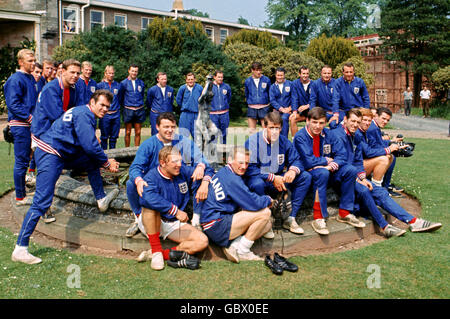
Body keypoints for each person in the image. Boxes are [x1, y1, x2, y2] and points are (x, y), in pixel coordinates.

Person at [11, 90, 120, 264]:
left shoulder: (83, 112)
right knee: (42, 202)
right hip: (50, 153)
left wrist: (99, 157)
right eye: (102, 105)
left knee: (91, 161)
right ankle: (20, 248)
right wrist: (107, 163)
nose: (105, 109)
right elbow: (90, 146)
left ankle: (101, 199)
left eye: (108, 106)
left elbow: (85, 144)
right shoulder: (85, 114)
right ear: (92, 102)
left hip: (60, 153)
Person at [334, 109, 442, 237]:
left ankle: (413, 222)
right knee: (365, 191)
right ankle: (384, 226)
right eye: (354, 121)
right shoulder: (337, 135)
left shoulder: (355, 136)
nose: (356, 124)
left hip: (354, 175)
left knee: (379, 191)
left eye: (358, 122)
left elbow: (357, 161)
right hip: (341, 177)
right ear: (345, 120)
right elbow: (340, 162)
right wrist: (358, 179)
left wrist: (362, 177)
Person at [126, 112, 211, 238]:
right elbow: (135, 167)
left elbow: (201, 159)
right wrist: (138, 180)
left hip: (177, 179)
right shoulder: (149, 144)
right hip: (155, 182)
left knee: (198, 175)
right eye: (166, 127)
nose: (170, 130)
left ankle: (196, 219)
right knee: (131, 183)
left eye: (172, 127)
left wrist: (200, 167)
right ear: (157, 127)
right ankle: (139, 218)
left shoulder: (182, 141)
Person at [293, 107, 365, 235]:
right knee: (322, 173)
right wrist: (326, 160)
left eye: (321, 123)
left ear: (325, 122)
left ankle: (344, 212)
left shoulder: (329, 134)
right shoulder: (300, 136)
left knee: (350, 170)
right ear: (307, 121)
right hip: (307, 172)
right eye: (314, 122)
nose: (318, 126)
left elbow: (341, 155)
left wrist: (331, 166)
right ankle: (318, 217)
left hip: (327, 170)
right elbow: (308, 161)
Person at [137, 146, 211, 270]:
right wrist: (175, 211)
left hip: (173, 224)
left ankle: (159, 254)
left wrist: (204, 180)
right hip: (153, 222)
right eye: (174, 161)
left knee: (202, 241)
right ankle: (156, 252)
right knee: (149, 206)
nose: (179, 165)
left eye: (180, 161)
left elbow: (209, 170)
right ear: (163, 163)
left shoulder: (181, 171)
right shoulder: (152, 176)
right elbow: (147, 197)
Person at [200, 146, 273, 263]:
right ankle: (243, 251)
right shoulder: (232, 179)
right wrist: (268, 199)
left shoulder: (225, 171)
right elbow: (254, 203)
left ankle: (234, 246)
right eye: (240, 162)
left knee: (267, 225)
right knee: (266, 213)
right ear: (230, 160)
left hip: (215, 222)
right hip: (216, 225)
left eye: (246, 163)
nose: (244, 166)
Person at [244, 111, 311, 235]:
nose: (275, 131)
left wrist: (292, 170)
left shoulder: (284, 141)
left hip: (280, 179)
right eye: (271, 128)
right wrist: (272, 177)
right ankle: (265, 221)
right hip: (261, 179)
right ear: (264, 127)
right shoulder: (253, 142)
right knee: (256, 184)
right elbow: (250, 168)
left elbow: (297, 159)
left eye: (277, 128)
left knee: (305, 177)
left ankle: (291, 218)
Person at [4, 49, 38, 204]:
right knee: (21, 161)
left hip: (30, 124)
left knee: (30, 158)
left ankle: (23, 192)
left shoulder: (30, 78)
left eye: (33, 60)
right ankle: (20, 196)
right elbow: (13, 104)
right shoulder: (15, 79)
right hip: (20, 125)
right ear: (20, 62)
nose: (33, 63)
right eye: (29, 61)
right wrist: (30, 117)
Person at [357, 107, 404, 197]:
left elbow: (377, 144)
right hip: (356, 167)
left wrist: (392, 143)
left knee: (390, 157)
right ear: (376, 116)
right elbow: (369, 151)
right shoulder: (369, 129)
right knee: (385, 158)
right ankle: (379, 189)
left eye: (387, 120)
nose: (367, 123)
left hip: (361, 161)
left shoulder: (368, 129)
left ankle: (383, 186)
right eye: (383, 118)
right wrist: (389, 149)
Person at [119, 64, 146, 147]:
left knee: (138, 132)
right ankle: (127, 152)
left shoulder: (141, 83)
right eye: (132, 71)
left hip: (139, 109)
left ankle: (136, 151)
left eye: (136, 71)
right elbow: (121, 96)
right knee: (128, 132)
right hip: (128, 110)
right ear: (129, 71)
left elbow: (142, 95)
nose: (134, 73)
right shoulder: (123, 83)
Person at [96, 65, 121, 149]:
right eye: (109, 73)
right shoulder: (100, 85)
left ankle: (113, 156)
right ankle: (104, 158)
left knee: (114, 137)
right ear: (105, 73)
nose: (111, 75)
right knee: (104, 137)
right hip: (105, 115)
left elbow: (120, 98)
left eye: (112, 73)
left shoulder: (118, 85)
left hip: (116, 114)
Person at [244, 62, 271, 133]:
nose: (258, 72)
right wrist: (250, 102)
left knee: (265, 130)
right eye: (256, 70)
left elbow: (269, 93)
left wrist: (267, 102)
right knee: (252, 131)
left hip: (264, 107)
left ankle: (266, 144)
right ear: (252, 70)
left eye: (260, 70)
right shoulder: (247, 81)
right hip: (252, 107)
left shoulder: (266, 80)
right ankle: (254, 144)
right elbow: (247, 93)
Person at [175, 72, 203, 139]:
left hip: (196, 114)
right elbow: (178, 100)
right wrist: (185, 106)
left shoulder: (199, 88)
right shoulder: (182, 88)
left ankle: (197, 149)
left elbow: (203, 100)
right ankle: (184, 149)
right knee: (183, 136)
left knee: (197, 136)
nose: (190, 81)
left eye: (192, 79)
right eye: (189, 79)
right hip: (185, 114)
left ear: (195, 79)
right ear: (186, 80)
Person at [146, 72, 174, 136]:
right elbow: (149, 102)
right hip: (156, 114)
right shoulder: (152, 90)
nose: (164, 81)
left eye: (165, 79)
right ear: (158, 79)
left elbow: (171, 101)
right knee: (155, 133)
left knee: (167, 133)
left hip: (167, 115)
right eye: (162, 79)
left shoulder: (170, 89)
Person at [269, 67, 293, 138]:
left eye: (281, 75)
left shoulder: (290, 84)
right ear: (275, 76)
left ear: (284, 75)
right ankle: (274, 140)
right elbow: (272, 101)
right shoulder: (272, 87)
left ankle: (284, 140)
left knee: (284, 119)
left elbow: (294, 98)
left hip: (288, 110)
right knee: (274, 120)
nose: (280, 77)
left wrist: (290, 108)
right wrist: (281, 109)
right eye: (278, 75)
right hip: (277, 110)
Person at [210, 70, 232, 144]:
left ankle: (223, 154)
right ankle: (213, 154)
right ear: (214, 77)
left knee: (224, 134)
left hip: (224, 114)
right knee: (213, 134)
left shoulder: (226, 87)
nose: (220, 79)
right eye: (219, 77)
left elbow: (229, 98)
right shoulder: (209, 87)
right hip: (213, 114)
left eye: (222, 77)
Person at [290, 66, 312, 137]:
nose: (305, 75)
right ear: (299, 74)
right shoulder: (295, 83)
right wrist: (294, 111)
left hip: (311, 111)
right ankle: (295, 140)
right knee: (293, 118)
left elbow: (315, 99)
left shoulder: (314, 84)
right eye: (303, 73)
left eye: (307, 73)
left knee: (311, 122)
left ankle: (310, 141)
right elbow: (294, 98)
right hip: (301, 111)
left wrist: (307, 106)